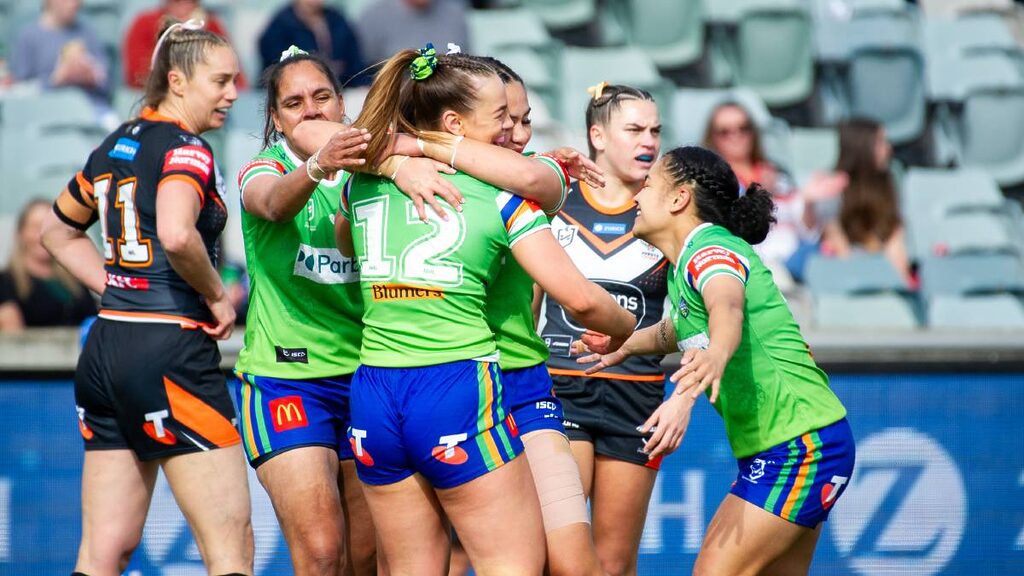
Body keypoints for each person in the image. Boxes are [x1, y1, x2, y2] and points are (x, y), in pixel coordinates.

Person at [333, 46, 637, 574]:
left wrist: (396, 157)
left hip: (378, 390)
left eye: (522, 120)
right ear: (454, 123)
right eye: (503, 117)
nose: (515, 132)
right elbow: (582, 299)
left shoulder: (364, 182)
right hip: (464, 386)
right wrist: (629, 328)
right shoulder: (505, 193)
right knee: (514, 564)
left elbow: (344, 239)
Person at [579, 146, 855, 575]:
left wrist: (694, 384)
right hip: (797, 445)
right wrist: (628, 344)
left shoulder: (710, 249)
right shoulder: (683, 264)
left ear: (679, 199)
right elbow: (683, 328)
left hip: (801, 446)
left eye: (648, 184)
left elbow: (727, 308)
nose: (636, 195)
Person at [40, 22, 253, 575]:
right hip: (171, 351)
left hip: (107, 346)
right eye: (222, 80)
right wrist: (217, 297)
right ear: (177, 81)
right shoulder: (188, 148)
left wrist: (114, 287)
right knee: (229, 550)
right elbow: (179, 234)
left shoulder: (113, 144)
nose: (234, 92)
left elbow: (56, 234)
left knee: (103, 551)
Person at [231, 46, 390, 576]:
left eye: (322, 97)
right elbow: (272, 202)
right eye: (294, 103)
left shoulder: (376, 174)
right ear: (276, 119)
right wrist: (320, 165)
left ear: (343, 105)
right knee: (322, 552)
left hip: (369, 377)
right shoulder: (263, 168)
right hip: (287, 378)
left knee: (364, 560)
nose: (312, 111)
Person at [538, 82, 666, 576]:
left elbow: (692, 310)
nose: (648, 141)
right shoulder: (556, 200)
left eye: (655, 130)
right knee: (562, 556)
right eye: (634, 129)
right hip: (562, 387)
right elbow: (529, 304)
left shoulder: (668, 207)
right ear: (597, 135)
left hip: (638, 394)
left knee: (614, 563)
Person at [703, 101, 830, 286]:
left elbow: (808, 232)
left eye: (743, 128)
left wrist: (808, 201)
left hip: (798, 260)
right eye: (725, 131)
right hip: (756, 266)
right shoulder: (712, 180)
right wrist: (759, 194)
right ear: (712, 137)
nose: (736, 136)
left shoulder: (778, 174)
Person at [818, 118, 913, 286]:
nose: (888, 149)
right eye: (880, 143)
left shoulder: (889, 183)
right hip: (846, 277)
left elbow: (895, 238)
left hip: (883, 272)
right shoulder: (833, 190)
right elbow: (839, 248)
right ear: (861, 148)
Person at [0, 199, 97, 333]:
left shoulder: (75, 279)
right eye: (35, 227)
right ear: (21, 233)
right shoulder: (6, 281)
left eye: (49, 229)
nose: (42, 236)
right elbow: (12, 333)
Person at [10, 0, 112, 121]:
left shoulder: (88, 32)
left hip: (91, 109)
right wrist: (56, 79)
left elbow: (107, 84)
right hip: (47, 111)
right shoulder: (28, 37)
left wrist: (92, 76)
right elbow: (20, 92)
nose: (75, 4)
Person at [122, 0, 243, 89]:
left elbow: (237, 79)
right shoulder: (145, 23)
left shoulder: (211, 25)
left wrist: (198, 31)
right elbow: (138, 75)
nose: (186, 5)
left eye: (192, 2)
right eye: (178, 2)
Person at [259, 0, 368, 87]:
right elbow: (277, 74)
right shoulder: (279, 28)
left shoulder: (338, 21)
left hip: (343, 91)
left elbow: (357, 67)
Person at [357, 0, 470, 67]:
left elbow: (464, 62)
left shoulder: (455, 14)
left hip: (446, 93)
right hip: (394, 95)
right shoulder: (374, 16)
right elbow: (364, 70)